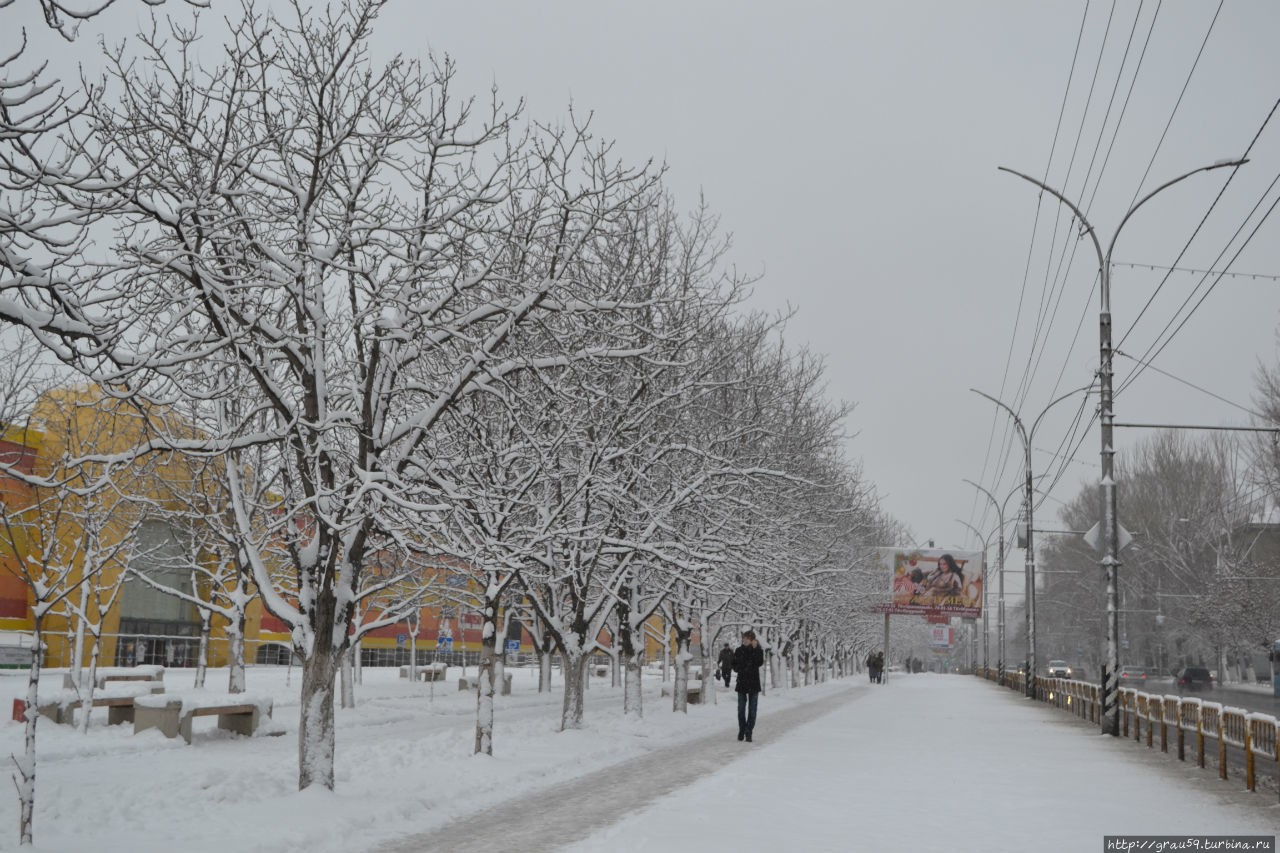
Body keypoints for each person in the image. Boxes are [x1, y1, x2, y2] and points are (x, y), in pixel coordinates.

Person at [732, 630, 764, 742]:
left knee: (752, 710)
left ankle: (749, 731)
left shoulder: (757, 650)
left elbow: (759, 662)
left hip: (754, 684)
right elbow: (734, 666)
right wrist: (740, 666)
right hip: (742, 683)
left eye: (747, 638)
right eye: (744, 638)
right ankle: (742, 729)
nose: (745, 640)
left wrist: (756, 649)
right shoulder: (739, 650)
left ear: (752, 640)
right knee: (741, 709)